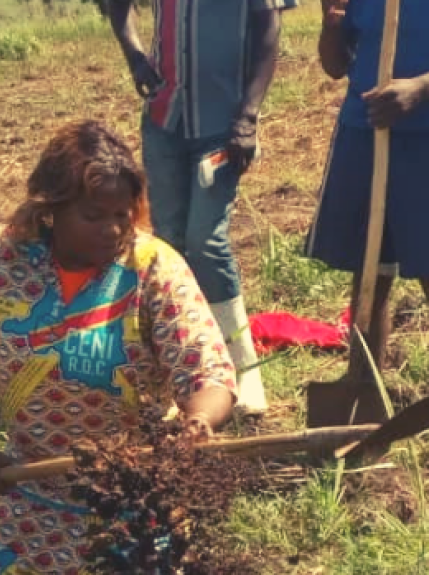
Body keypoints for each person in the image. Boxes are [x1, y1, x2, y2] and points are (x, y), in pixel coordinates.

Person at [0, 120, 236, 575]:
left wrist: (197, 425)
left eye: (123, 214)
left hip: (128, 515)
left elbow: (209, 371)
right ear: (50, 211)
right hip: (29, 510)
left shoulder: (152, 269)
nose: (113, 229)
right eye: (94, 215)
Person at [107, 0, 299, 414]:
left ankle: (245, 369)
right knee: (169, 244)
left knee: (206, 241)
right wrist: (136, 58)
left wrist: (248, 117)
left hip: (224, 125)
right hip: (165, 120)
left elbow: (268, 31)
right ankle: (178, 376)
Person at [306, 0, 429, 411]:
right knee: (369, 277)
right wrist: (331, 27)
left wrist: (422, 88)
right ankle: (363, 395)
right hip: (362, 133)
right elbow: (335, 65)